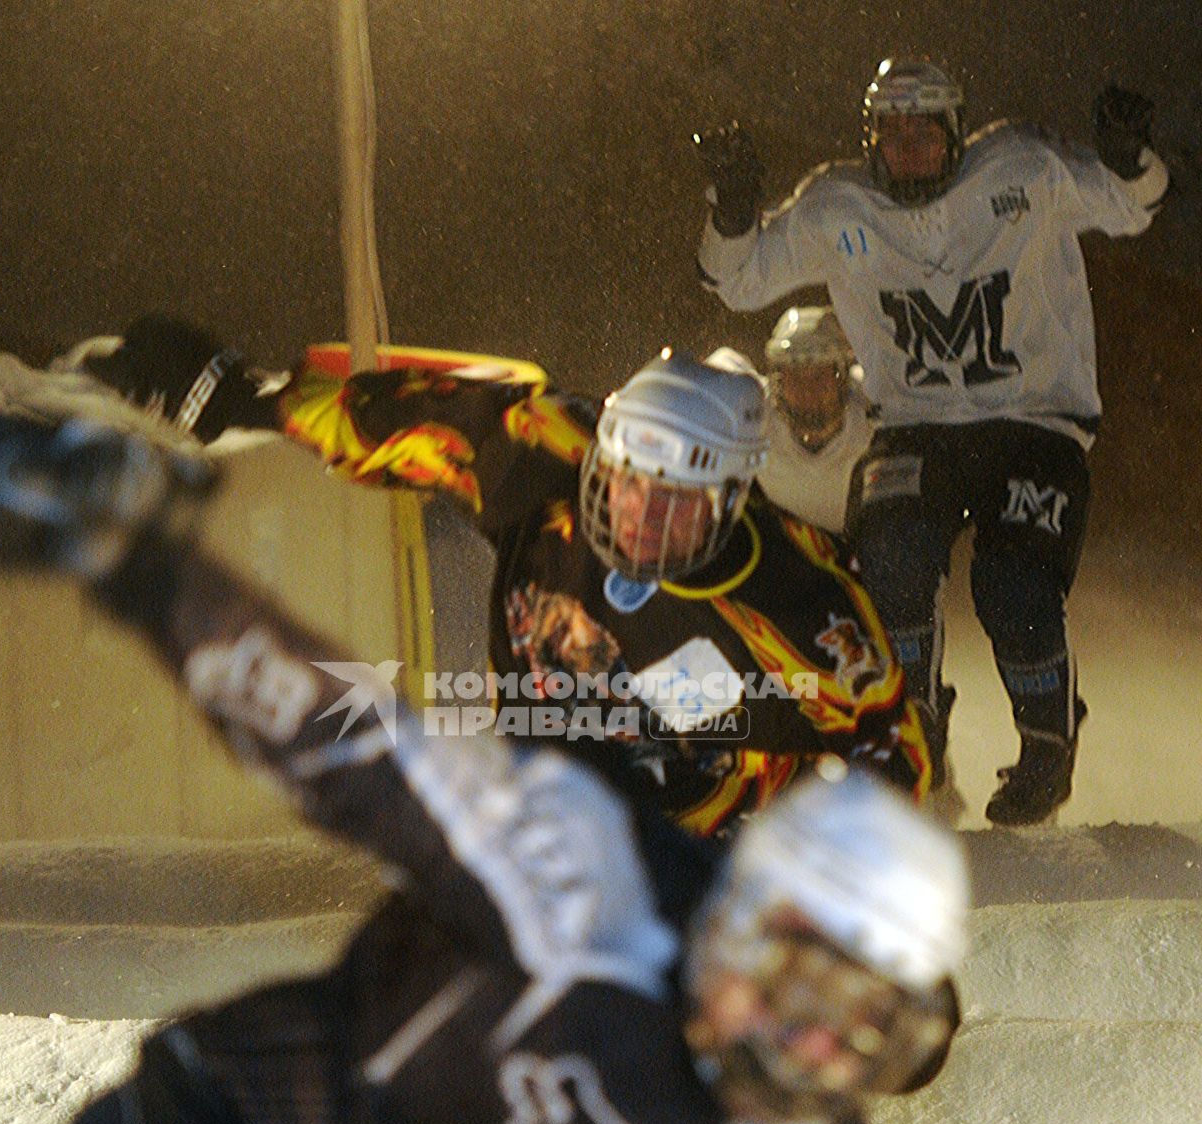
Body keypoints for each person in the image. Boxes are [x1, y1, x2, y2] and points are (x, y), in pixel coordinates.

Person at [0, 404, 969, 1124]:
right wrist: (143, 564)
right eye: (802, 992)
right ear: (739, 923)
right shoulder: (585, 869)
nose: (807, 1058)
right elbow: (343, 746)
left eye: (860, 1046)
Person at [76, 317, 931, 836]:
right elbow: (393, 421)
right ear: (601, 457)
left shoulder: (796, 598)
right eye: (628, 489)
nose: (639, 523)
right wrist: (239, 398)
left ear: (734, 497)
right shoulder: (542, 446)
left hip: (714, 807)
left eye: (675, 509)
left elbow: (892, 744)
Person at [695, 63, 1170, 823]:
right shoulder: (836, 204)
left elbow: (1132, 205)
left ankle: (1047, 741)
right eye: (892, 130)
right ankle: (912, 735)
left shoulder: (1020, 168)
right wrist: (734, 212)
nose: (908, 145)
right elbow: (738, 280)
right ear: (869, 139)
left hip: (1035, 421)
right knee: (887, 563)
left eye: (924, 129)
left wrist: (1127, 157)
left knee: (1014, 585)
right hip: (916, 423)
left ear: (955, 132)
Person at [748, 306, 873, 536]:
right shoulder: (753, 416)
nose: (807, 391)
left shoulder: (874, 412)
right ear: (778, 382)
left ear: (842, 378)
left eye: (819, 376)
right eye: (794, 376)